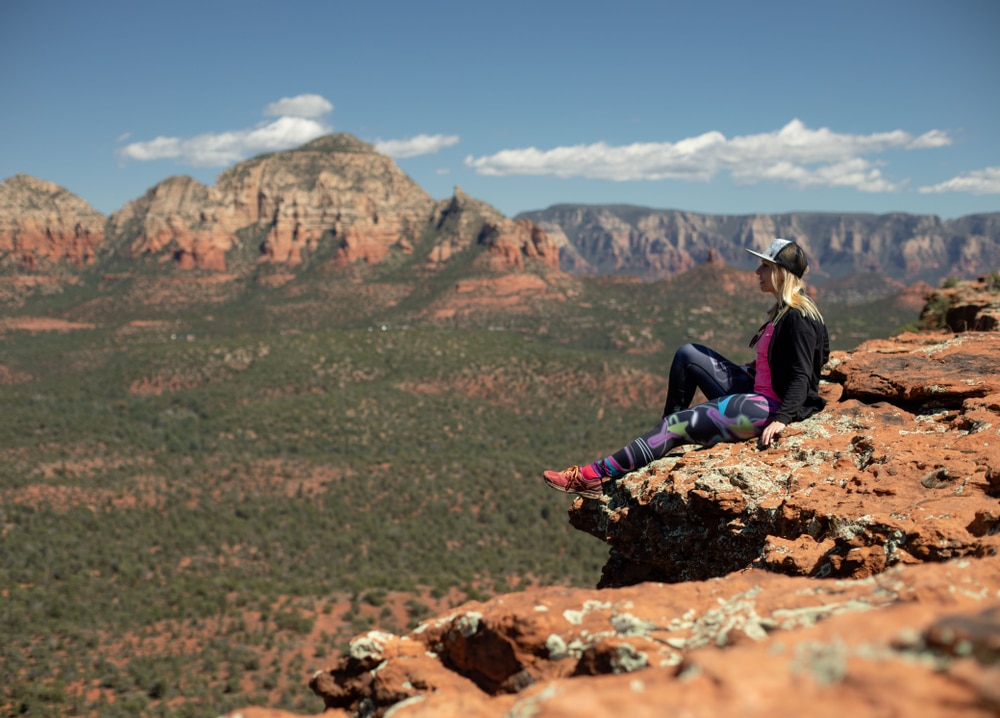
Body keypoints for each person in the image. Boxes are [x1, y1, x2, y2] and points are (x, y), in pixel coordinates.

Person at [543, 238, 830, 499]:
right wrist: (764, 367)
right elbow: (821, 353)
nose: (758, 272)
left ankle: (592, 476)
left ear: (781, 273)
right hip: (758, 388)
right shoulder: (783, 311)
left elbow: (804, 374)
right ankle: (664, 439)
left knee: (676, 425)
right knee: (688, 354)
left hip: (770, 405)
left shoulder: (799, 317)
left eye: (765, 267)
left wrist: (782, 418)